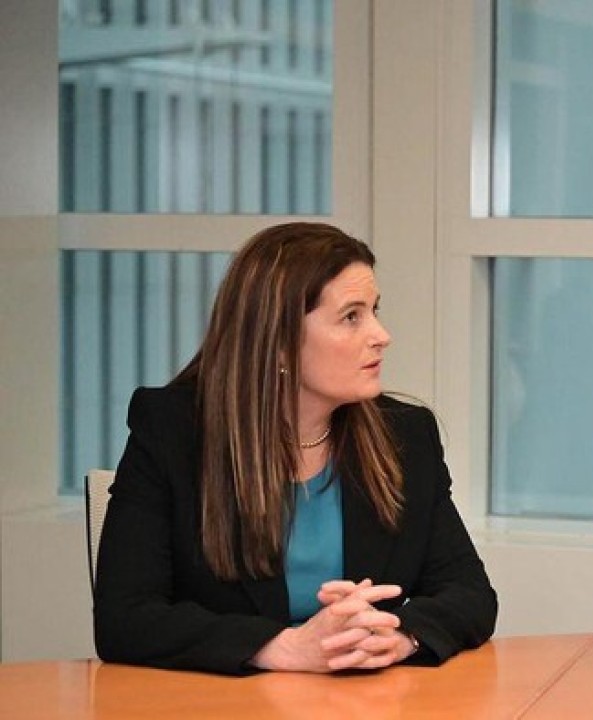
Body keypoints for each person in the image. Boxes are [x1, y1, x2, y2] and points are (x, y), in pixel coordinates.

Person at [93, 222, 498, 675]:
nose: (381, 335)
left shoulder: (406, 436)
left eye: (375, 311)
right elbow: (124, 620)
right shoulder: (171, 432)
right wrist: (283, 647)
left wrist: (399, 635)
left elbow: (471, 595)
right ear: (279, 344)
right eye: (352, 316)